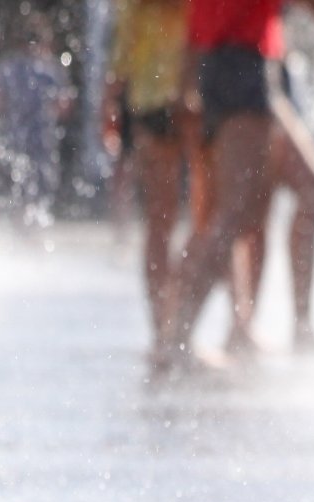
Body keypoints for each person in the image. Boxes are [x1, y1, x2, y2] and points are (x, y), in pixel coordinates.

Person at [159, 0, 314, 371]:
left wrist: (186, 82)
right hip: (241, 69)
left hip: (239, 68)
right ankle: (176, 339)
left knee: (308, 190)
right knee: (233, 214)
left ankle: (285, 328)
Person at [108, 0, 192, 361]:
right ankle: (164, 332)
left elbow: (122, 39)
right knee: (163, 221)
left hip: (176, 88)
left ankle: (179, 329)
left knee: (206, 213)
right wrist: (111, 97)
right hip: (161, 93)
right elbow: (125, 35)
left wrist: (110, 95)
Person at [0, 12, 74, 225]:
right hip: (42, 138)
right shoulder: (51, 68)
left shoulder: (8, 67)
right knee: (40, 187)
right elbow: (64, 106)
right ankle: (35, 233)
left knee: (17, 184)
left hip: (15, 136)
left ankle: (19, 230)